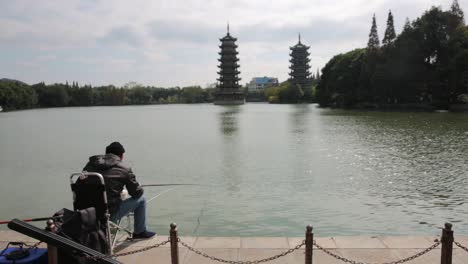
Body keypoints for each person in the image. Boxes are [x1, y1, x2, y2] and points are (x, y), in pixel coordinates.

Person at [82, 141, 156, 239]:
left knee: (111, 199)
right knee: (141, 200)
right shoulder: (124, 169)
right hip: (108, 213)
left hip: (86, 212)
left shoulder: (89, 166)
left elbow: (81, 184)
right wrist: (139, 187)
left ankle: (107, 232)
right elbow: (136, 193)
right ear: (121, 156)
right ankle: (140, 232)